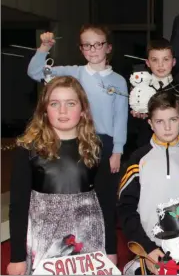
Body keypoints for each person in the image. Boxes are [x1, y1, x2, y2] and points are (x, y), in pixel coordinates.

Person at [27, 25, 128, 261]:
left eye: (98, 44)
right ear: (81, 49)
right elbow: (34, 72)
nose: (93, 49)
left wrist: (118, 150)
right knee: (77, 202)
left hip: (106, 143)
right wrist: (44, 48)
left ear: (108, 47)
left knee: (105, 203)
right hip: (77, 141)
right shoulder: (73, 73)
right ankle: (68, 254)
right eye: (87, 45)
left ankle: (110, 255)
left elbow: (121, 117)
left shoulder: (119, 81)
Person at [7, 77, 105, 276]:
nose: (63, 111)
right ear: (44, 110)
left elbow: (106, 202)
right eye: (54, 104)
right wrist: (17, 257)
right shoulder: (28, 149)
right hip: (44, 243)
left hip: (88, 241)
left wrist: (110, 249)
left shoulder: (95, 148)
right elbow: (18, 206)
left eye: (71, 103)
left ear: (83, 109)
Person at [118, 89, 179, 274]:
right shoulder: (138, 160)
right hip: (151, 253)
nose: (167, 128)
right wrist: (146, 247)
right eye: (160, 122)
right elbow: (126, 208)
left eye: (173, 120)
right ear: (150, 124)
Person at [129, 37, 179, 150]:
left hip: (174, 148)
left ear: (173, 62)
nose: (160, 65)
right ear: (147, 63)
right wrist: (138, 117)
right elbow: (131, 128)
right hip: (146, 147)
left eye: (165, 59)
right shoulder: (139, 90)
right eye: (155, 60)